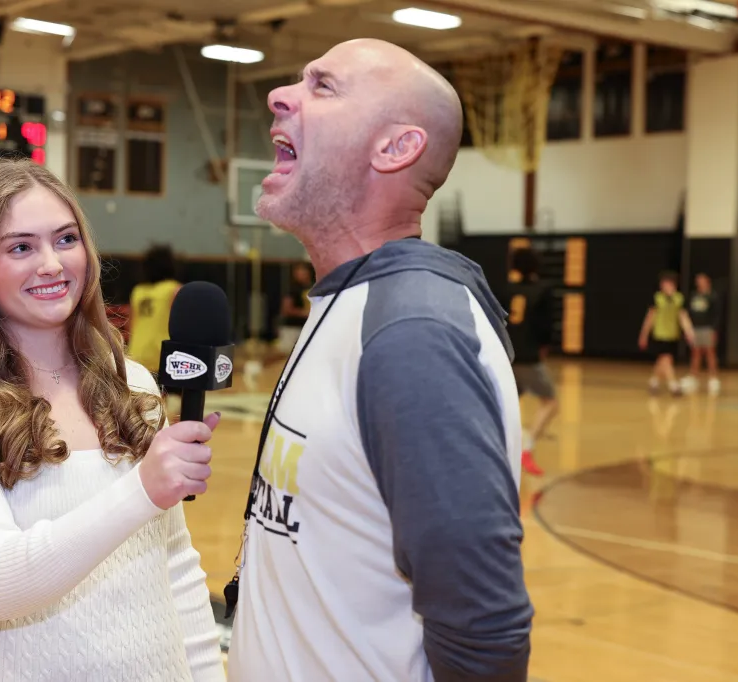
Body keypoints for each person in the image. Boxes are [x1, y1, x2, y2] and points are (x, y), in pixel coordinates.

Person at [227, 39, 533, 682]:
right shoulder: (347, 302)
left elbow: (484, 631)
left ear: (396, 148)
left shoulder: (412, 335)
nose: (279, 96)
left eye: (323, 86)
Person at [0, 159, 224, 681]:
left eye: (66, 239)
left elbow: (174, 562)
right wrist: (142, 491)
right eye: (21, 247)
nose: (52, 264)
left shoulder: (132, 382)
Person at [505, 247, 558, 478]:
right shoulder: (543, 290)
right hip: (528, 355)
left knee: (510, 401)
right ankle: (527, 447)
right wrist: (544, 348)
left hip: (507, 355)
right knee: (551, 402)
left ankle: (504, 445)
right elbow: (546, 326)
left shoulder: (506, 289)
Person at [126, 244, 181, 379]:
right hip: (161, 356)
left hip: (136, 354)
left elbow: (130, 326)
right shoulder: (174, 289)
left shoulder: (138, 291)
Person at [638, 271, 695, 396]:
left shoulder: (679, 298)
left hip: (672, 334)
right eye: (663, 283)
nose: (664, 286)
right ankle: (673, 385)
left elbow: (683, 316)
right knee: (666, 359)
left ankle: (654, 382)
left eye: (667, 283)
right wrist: (644, 334)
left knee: (662, 360)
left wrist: (689, 332)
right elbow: (650, 317)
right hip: (659, 334)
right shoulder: (657, 298)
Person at [682, 272, 721, 395]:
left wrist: (714, 329)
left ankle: (713, 379)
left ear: (707, 281)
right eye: (697, 280)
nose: (699, 282)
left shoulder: (713, 296)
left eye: (701, 280)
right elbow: (687, 312)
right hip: (695, 328)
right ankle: (694, 378)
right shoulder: (693, 295)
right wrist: (688, 329)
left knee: (710, 353)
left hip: (707, 328)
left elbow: (717, 315)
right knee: (695, 353)